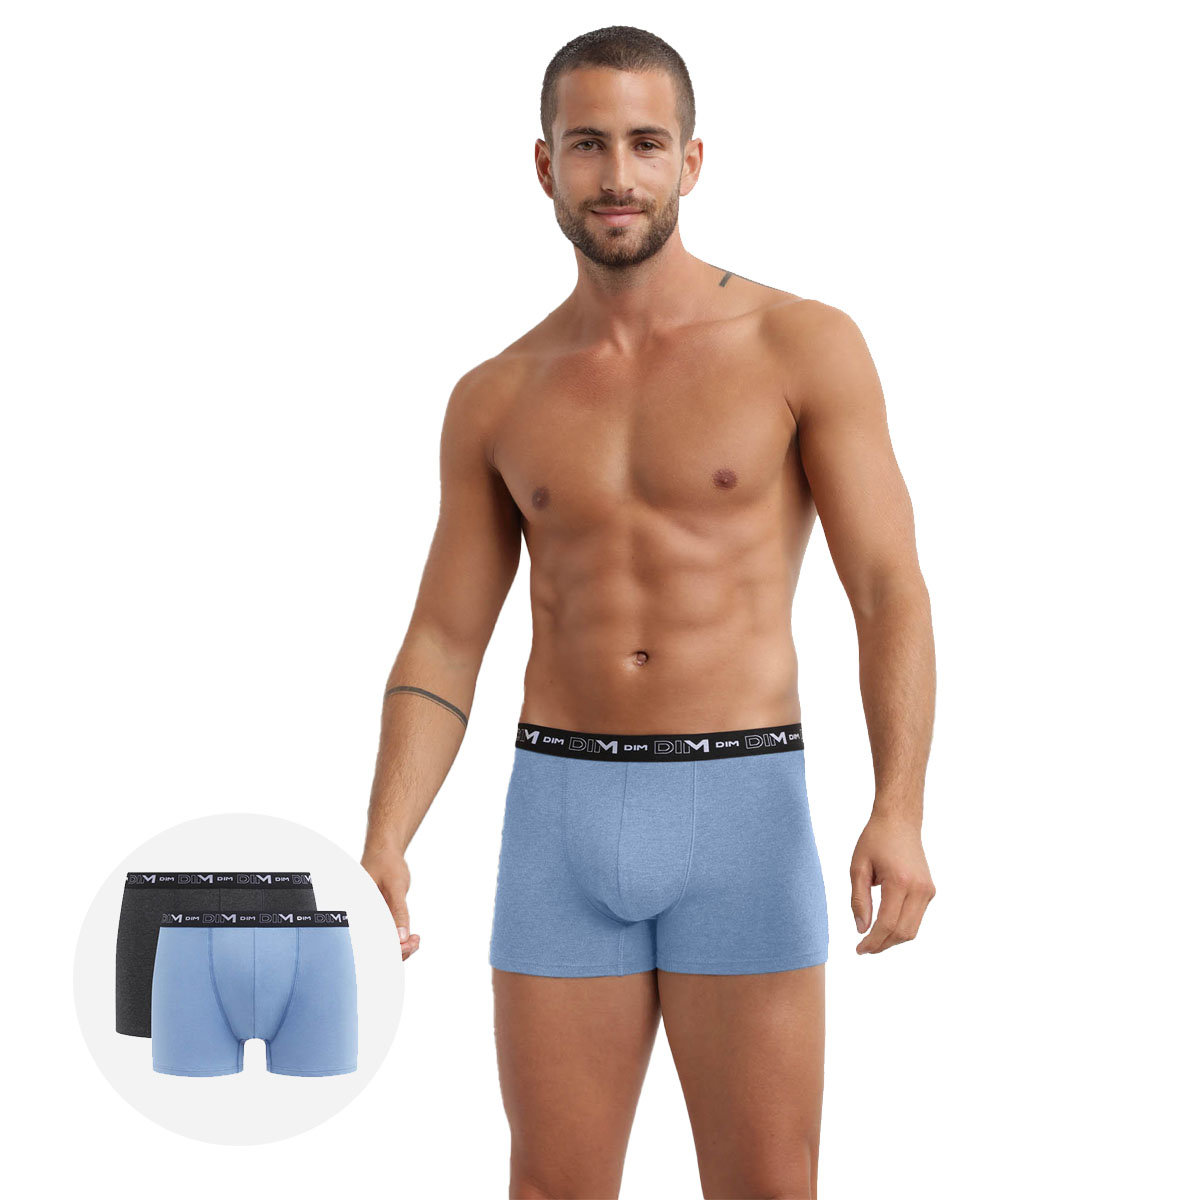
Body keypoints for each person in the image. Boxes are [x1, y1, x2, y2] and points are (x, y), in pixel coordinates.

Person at [362, 25, 936, 1200]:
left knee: (769, 1186)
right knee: (551, 1188)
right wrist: (387, 832)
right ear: (545, 165)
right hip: (559, 812)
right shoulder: (495, 396)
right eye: (588, 144)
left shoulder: (800, 345)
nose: (616, 174)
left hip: (744, 808)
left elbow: (888, 589)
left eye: (644, 143)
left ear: (692, 160)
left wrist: (900, 806)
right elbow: (446, 638)